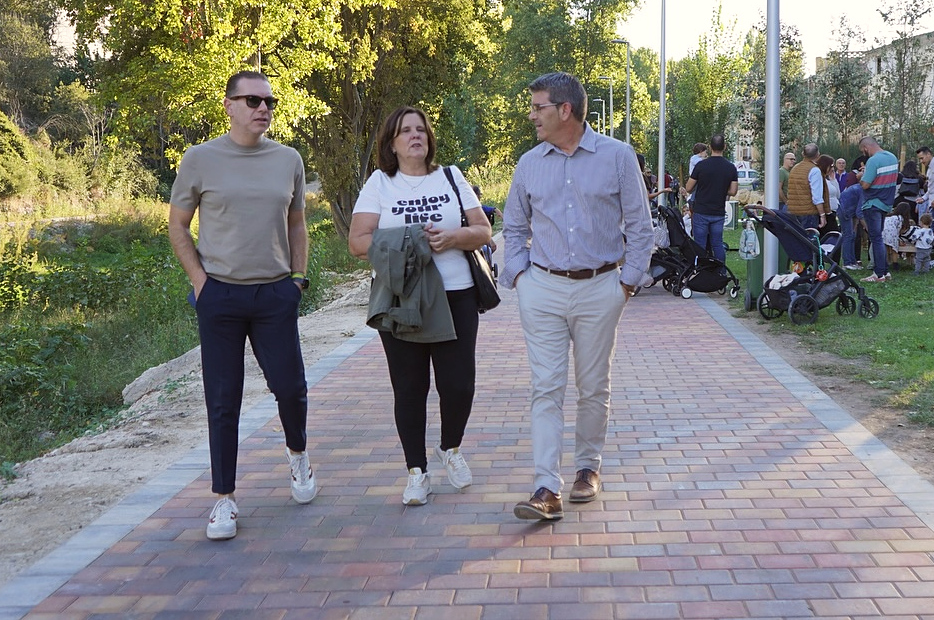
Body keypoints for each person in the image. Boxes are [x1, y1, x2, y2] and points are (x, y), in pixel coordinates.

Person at [168, 70, 316, 541]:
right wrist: (201, 283)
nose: (263, 108)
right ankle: (224, 499)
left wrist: (296, 279)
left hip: (275, 293)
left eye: (269, 101)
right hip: (221, 296)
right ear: (228, 104)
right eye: (252, 100)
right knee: (222, 398)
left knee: (290, 387)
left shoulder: (288, 159)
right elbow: (178, 226)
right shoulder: (200, 159)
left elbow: (297, 223)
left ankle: (298, 457)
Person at [501, 72, 654, 521]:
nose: (532, 116)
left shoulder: (617, 156)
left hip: (600, 287)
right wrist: (521, 279)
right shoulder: (529, 163)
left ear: (564, 109)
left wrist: (626, 283)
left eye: (538, 107)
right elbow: (513, 227)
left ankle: (588, 467)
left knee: (592, 386)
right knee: (545, 387)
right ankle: (545, 487)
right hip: (543, 287)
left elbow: (640, 226)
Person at [347, 106, 492, 506]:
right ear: (391, 143)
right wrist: (408, 238)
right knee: (410, 388)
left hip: (456, 293)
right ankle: (416, 472)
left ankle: (451, 448)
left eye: (421, 130)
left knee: (458, 384)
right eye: (406, 131)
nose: (416, 136)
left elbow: (483, 231)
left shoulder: (451, 177)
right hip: (401, 297)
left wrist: (452, 237)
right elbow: (358, 242)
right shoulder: (380, 183)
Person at [684, 133, 738, 261]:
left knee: (700, 244)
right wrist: (720, 188)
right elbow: (733, 191)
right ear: (724, 147)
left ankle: (700, 271)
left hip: (701, 210)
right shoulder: (730, 167)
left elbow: (688, 188)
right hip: (718, 211)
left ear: (709, 147)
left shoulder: (701, 166)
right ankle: (721, 272)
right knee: (717, 244)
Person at [858, 136, 899, 284]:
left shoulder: (873, 160)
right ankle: (885, 271)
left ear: (866, 148)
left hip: (873, 203)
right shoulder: (893, 157)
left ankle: (879, 273)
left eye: (863, 152)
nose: (865, 154)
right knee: (879, 237)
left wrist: (861, 176)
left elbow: (865, 185)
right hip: (886, 203)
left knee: (876, 239)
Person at [787, 143, 829, 231]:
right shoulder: (814, 170)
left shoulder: (795, 168)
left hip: (793, 211)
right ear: (818, 155)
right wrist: (822, 215)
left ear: (803, 154)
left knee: (796, 241)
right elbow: (817, 197)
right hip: (808, 213)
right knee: (808, 242)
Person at [817, 154, 840, 233]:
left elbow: (837, 194)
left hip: (833, 211)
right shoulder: (819, 179)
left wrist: (833, 179)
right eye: (831, 166)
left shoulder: (828, 180)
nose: (832, 168)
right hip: (826, 213)